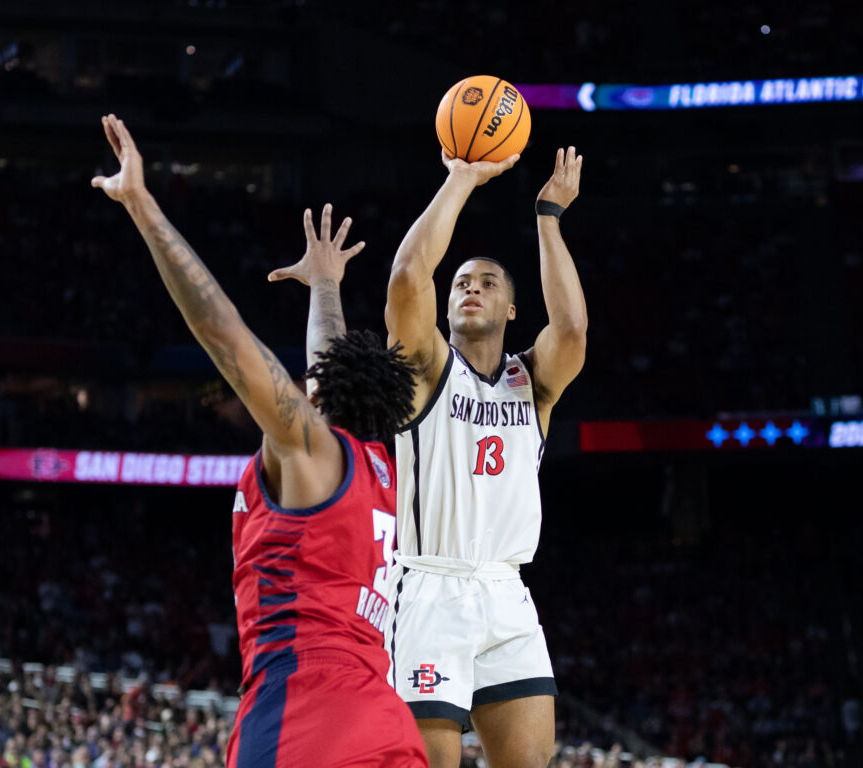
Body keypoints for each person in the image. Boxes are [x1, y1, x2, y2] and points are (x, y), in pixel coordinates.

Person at [91, 115, 427, 768]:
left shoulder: (310, 451)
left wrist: (143, 208)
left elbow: (224, 333)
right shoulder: (376, 469)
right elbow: (330, 362)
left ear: (318, 396)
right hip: (386, 720)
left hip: (304, 711)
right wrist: (325, 286)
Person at [383, 146, 587, 768]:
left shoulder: (534, 383)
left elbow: (573, 329)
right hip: (429, 588)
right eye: (462, 284)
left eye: (487, 283)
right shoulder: (424, 369)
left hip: (506, 591)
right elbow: (408, 278)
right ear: (447, 308)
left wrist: (549, 217)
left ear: (511, 310)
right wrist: (461, 179)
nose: (471, 289)